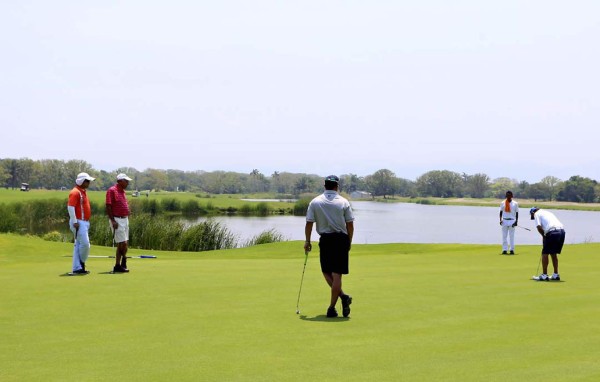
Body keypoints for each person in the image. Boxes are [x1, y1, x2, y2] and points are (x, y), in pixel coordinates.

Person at [304, 175, 355, 318]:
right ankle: (343, 297)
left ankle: (332, 308)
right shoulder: (344, 202)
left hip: (326, 240)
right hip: (341, 239)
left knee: (327, 272)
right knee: (334, 273)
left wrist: (307, 241)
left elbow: (309, 223)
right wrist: (349, 242)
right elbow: (350, 224)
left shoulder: (315, 202)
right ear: (337, 186)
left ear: (325, 186)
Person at [67, 172, 95, 274]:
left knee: (78, 245)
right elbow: (70, 207)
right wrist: (74, 221)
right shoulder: (75, 192)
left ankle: (77, 267)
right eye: (87, 181)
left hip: (84, 222)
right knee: (85, 244)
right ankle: (81, 263)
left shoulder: (82, 191)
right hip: (78, 222)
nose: (89, 183)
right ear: (81, 181)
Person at [106, 173, 133, 273]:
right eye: (126, 181)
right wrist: (112, 220)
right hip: (117, 220)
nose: (128, 182)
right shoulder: (112, 190)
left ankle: (118, 265)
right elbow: (108, 206)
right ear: (120, 181)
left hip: (125, 219)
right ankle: (123, 261)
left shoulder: (123, 191)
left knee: (123, 243)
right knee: (122, 243)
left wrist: (127, 210)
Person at [530, 207, 565, 281]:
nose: (533, 217)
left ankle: (544, 275)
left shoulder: (536, 214)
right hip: (561, 232)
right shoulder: (548, 212)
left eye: (532, 216)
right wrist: (545, 235)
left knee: (545, 253)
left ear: (533, 213)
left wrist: (544, 236)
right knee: (553, 253)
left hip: (553, 232)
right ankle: (556, 275)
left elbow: (539, 227)